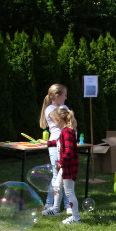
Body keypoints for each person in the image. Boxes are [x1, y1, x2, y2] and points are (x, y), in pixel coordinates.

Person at [46, 107, 81, 225]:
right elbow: (60, 142)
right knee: (56, 186)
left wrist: (61, 162)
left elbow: (69, 150)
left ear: (59, 120)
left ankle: (76, 218)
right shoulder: (66, 131)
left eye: (54, 120)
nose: (53, 123)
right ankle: (56, 209)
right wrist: (47, 143)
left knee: (69, 192)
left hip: (68, 167)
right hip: (65, 166)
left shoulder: (67, 131)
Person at [39, 84, 69, 217]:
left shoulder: (64, 107)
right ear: (57, 96)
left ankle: (68, 204)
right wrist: (69, 121)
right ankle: (50, 204)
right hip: (55, 145)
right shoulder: (50, 108)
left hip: (66, 144)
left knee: (67, 175)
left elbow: (72, 123)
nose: (66, 97)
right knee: (57, 176)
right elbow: (61, 123)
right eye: (64, 95)